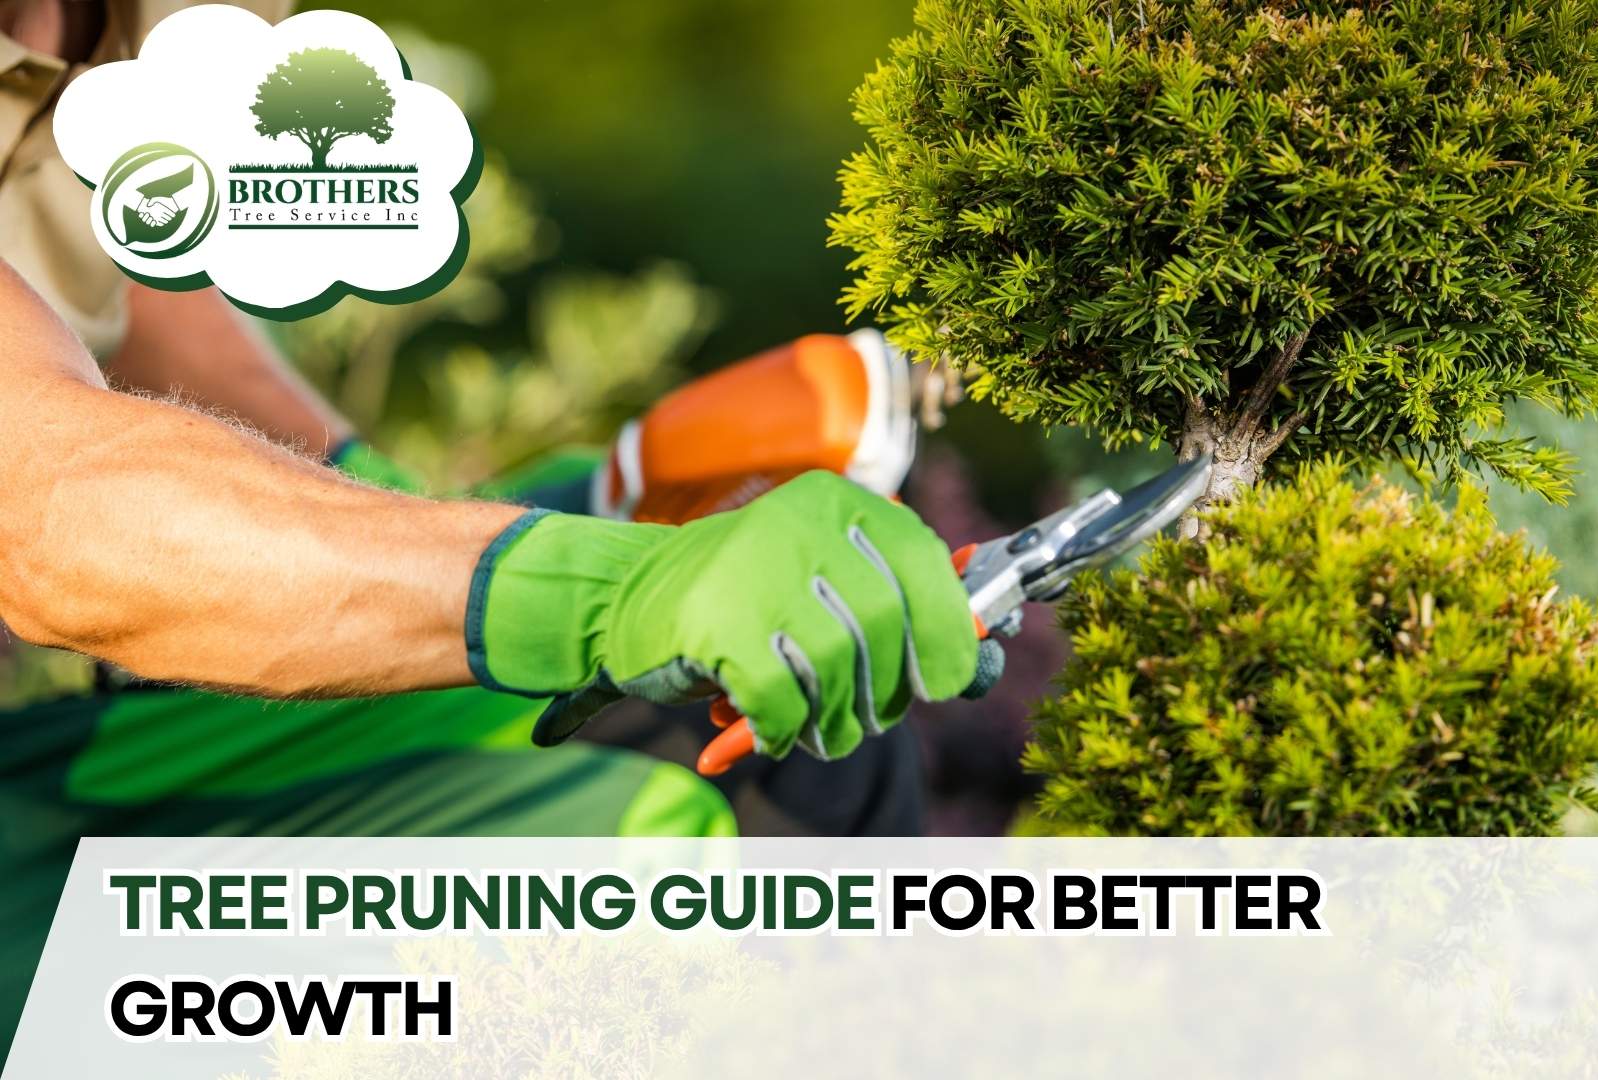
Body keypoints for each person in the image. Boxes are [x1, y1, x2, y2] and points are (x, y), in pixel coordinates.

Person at [0, 0, 985, 1055]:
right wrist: (595, 592)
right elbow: (54, 511)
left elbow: (154, 306)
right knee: (630, 884)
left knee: (752, 741)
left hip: (63, 753)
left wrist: (585, 517)